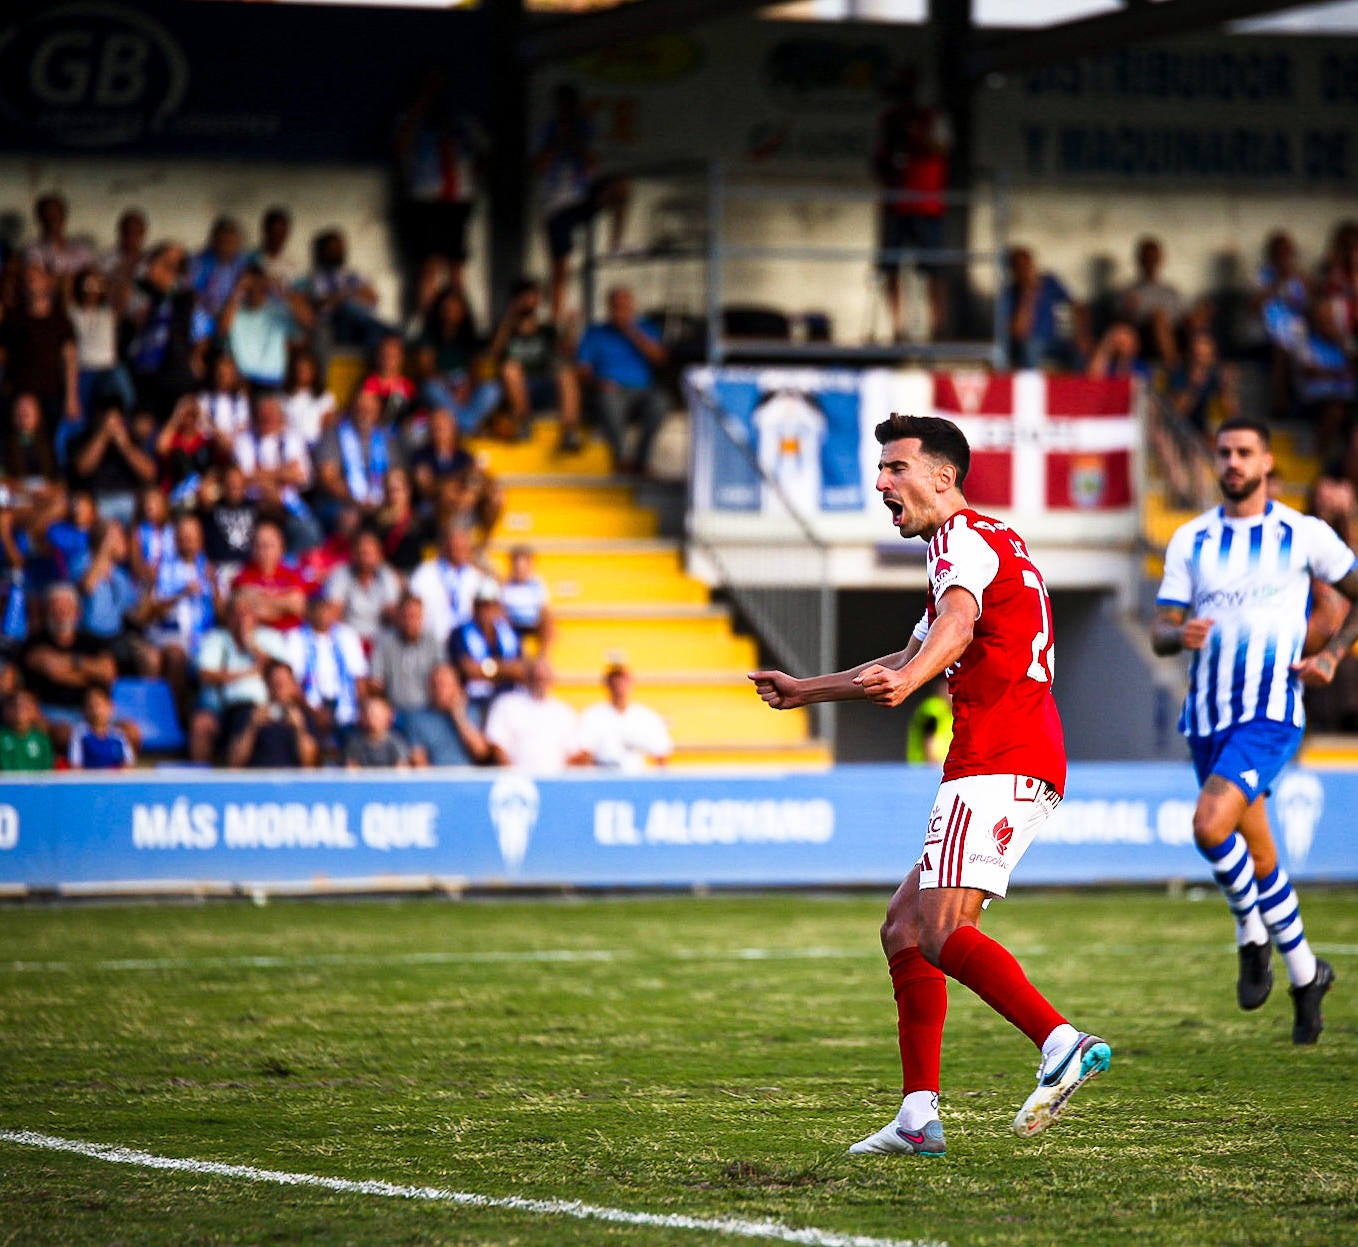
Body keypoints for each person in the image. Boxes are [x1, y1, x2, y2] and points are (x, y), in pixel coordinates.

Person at [750, 412, 1110, 1155]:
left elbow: (956, 625)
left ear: (943, 476)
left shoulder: (960, 542)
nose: (882, 482)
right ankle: (917, 1116)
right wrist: (804, 690)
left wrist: (916, 677)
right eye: (880, 469)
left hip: (998, 752)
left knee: (944, 932)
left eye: (895, 468)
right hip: (1014, 752)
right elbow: (920, 640)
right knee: (904, 927)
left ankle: (1060, 1041)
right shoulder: (986, 542)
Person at [1151, 416, 1356, 1045]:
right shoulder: (1192, 539)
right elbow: (1162, 628)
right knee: (1262, 856)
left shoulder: (1304, 534)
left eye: (1245, 452)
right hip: (1206, 715)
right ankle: (1305, 975)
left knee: (1208, 825)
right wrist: (1175, 635)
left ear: (1268, 461)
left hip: (1270, 713)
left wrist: (1332, 655)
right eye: (1224, 453)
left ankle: (1250, 933)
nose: (1233, 462)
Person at [533, 82, 630, 324]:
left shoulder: (585, 129)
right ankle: (556, 319)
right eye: (564, 107)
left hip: (583, 196)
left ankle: (616, 245)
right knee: (560, 268)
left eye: (572, 106)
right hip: (556, 205)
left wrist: (576, 140)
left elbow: (592, 165)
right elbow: (538, 166)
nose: (568, 111)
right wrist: (556, 141)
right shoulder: (546, 130)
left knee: (620, 185)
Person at [871, 65, 951, 343]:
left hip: (926, 205)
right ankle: (897, 329)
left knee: (933, 269)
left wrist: (914, 133)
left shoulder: (932, 118)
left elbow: (941, 148)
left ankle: (938, 327)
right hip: (895, 204)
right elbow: (879, 161)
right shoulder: (889, 119)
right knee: (890, 267)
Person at [575, 285, 669, 475]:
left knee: (661, 403)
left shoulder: (647, 328)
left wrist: (631, 332)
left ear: (632, 307)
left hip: (643, 391)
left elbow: (660, 359)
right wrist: (597, 382)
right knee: (608, 399)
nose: (621, 311)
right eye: (616, 307)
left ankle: (641, 461)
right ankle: (621, 459)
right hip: (610, 390)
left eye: (625, 307)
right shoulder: (595, 332)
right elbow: (582, 369)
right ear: (609, 308)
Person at [484, 656, 588, 772]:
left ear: (551, 680)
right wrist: (514, 777)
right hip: (517, 782)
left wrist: (558, 779)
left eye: (544, 678)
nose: (540, 682)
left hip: (554, 782)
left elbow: (574, 752)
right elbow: (497, 745)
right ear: (527, 678)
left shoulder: (564, 712)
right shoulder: (507, 705)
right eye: (537, 677)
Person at [999, 246, 1090, 372]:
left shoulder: (1048, 282)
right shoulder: (1009, 294)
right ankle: (1030, 389)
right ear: (1013, 271)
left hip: (1054, 341)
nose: (1026, 270)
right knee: (1031, 348)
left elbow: (1077, 306)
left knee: (1079, 351)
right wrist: (1028, 295)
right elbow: (1019, 332)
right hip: (1029, 344)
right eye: (1020, 267)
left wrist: (1081, 334)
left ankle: (1077, 390)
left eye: (1028, 266)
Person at [449, 579, 524, 723]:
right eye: (482, 605)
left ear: (498, 607)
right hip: (474, 701)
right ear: (474, 607)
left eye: (491, 605)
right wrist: (506, 670)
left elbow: (520, 670)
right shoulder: (459, 633)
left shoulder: (510, 632)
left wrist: (485, 668)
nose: (486, 610)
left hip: (507, 700)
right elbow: (470, 670)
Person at [578, 661, 671, 771]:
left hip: (635, 779)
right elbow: (584, 753)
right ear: (607, 684)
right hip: (603, 777)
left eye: (623, 681)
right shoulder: (592, 715)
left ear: (631, 683)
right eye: (615, 682)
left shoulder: (646, 717)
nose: (619, 686)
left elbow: (661, 754)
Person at [226, 659, 319, 768]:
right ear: (267, 685)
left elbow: (309, 763)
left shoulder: (304, 716)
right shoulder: (250, 714)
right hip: (258, 777)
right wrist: (252, 727)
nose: (279, 688)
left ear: (292, 685)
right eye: (275, 683)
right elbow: (234, 763)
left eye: (283, 683)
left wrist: (299, 729)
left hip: (292, 778)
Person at [408, 521, 487, 643]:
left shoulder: (476, 577)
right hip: (434, 642)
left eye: (462, 546)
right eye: (453, 546)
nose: (457, 550)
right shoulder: (424, 573)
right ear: (443, 546)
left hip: (468, 644)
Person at [369, 592, 445, 718]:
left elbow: (443, 678)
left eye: (415, 617)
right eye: (406, 616)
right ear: (398, 617)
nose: (410, 622)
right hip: (394, 714)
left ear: (422, 617)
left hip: (429, 712)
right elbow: (376, 682)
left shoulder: (433, 643)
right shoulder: (385, 643)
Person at [400, 662, 491, 766]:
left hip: (468, 777)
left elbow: (481, 753)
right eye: (435, 684)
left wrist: (459, 716)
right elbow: (419, 761)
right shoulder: (417, 718)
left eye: (444, 685)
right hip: (436, 778)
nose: (439, 690)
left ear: (458, 687)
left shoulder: (472, 712)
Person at [325, 527, 402, 649]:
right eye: (361, 553)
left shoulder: (386, 576)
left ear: (378, 555)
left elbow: (392, 611)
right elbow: (333, 612)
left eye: (369, 554)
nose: (364, 559)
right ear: (353, 554)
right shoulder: (340, 574)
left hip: (379, 638)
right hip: (348, 638)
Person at [68, 683, 134, 770]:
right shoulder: (79, 734)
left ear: (110, 707)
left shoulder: (118, 735)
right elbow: (75, 765)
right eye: (91, 706)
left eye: (99, 705)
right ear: (84, 710)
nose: (95, 710)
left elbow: (128, 763)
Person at [343, 691, 412, 768]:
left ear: (389, 716)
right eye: (369, 714)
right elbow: (351, 770)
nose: (372, 718)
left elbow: (402, 770)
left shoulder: (397, 742)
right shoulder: (355, 742)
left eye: (377, 715)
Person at [0, 690, 53, 772]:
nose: (19, 710)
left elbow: (47, 772)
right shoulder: (1, 737)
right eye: (15, 705)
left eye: (25, 705)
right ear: (6, 710)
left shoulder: (42, 740)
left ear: (35, 710)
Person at [905, 676, 952, 765]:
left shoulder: (951, 711)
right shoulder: (933, 709)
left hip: (942, 768)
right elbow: (929, 739)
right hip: (926, 768)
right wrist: (932, 764)